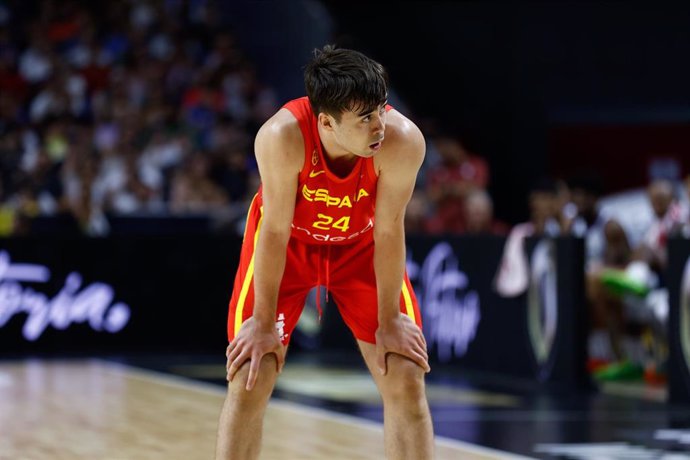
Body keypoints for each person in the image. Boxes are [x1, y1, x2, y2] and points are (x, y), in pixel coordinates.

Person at [215, 45, 433, 460]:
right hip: (290, 246)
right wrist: (262, 323)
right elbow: (275, 231)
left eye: (380, 109)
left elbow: (389, 230)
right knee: (250, 376)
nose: (378, 126)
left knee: (405, 374)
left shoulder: (403, 141)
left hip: (361, 248)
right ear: (327, 123)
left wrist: (389, 320)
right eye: (364, 117)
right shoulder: (281, 137)